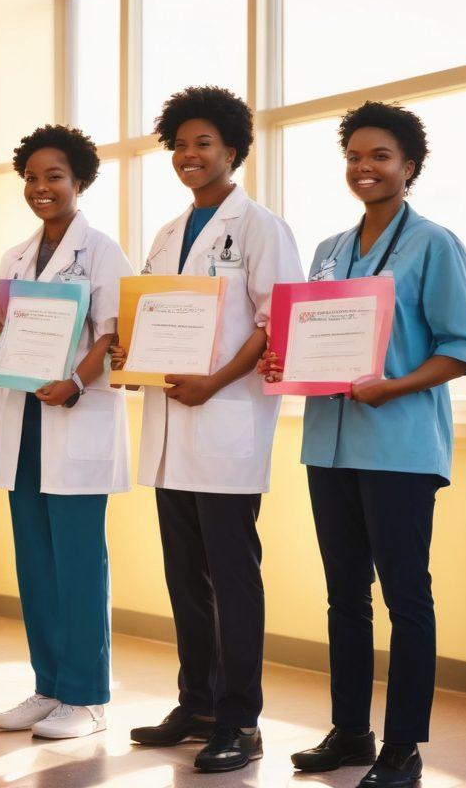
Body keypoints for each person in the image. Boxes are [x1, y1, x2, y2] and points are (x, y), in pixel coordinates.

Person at [261, 102, 466, 788]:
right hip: (328, 446)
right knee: (344, 596)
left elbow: (462, 349)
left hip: (398, 449)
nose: (365, 167)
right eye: (354, 156)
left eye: (380, 156)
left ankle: (403, 746)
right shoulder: (329, 250)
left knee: (406, 599)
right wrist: (282, 360)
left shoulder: (434, 244)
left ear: (409, 166)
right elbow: (309, 338)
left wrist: (394, 386)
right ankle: (351, 730)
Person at [114, 86, 302, 772]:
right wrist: (127, 353)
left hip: (226, 423)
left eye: (203, 144)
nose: (188, 155)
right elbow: (150, 315)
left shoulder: (260, 227)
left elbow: (274, 322)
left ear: (233, 149)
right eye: (180, 145)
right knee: (186, 577)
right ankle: (196, 703)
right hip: (171, 426)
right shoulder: (169, 233)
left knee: (231, 578)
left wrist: (216, 381)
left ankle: (241, 719)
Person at [0, 125, 132, 740]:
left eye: (54, 177)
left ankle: (87, 697)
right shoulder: (16, 257)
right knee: (35, 563)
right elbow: (6, 334)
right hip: (23, 421)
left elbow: (113, 332)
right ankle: (48, 686)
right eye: (32, 177)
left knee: (78, 562)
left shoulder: (102, 251)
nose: (41, 187)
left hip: (75, 415)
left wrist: (74, 381)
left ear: (79, 181)